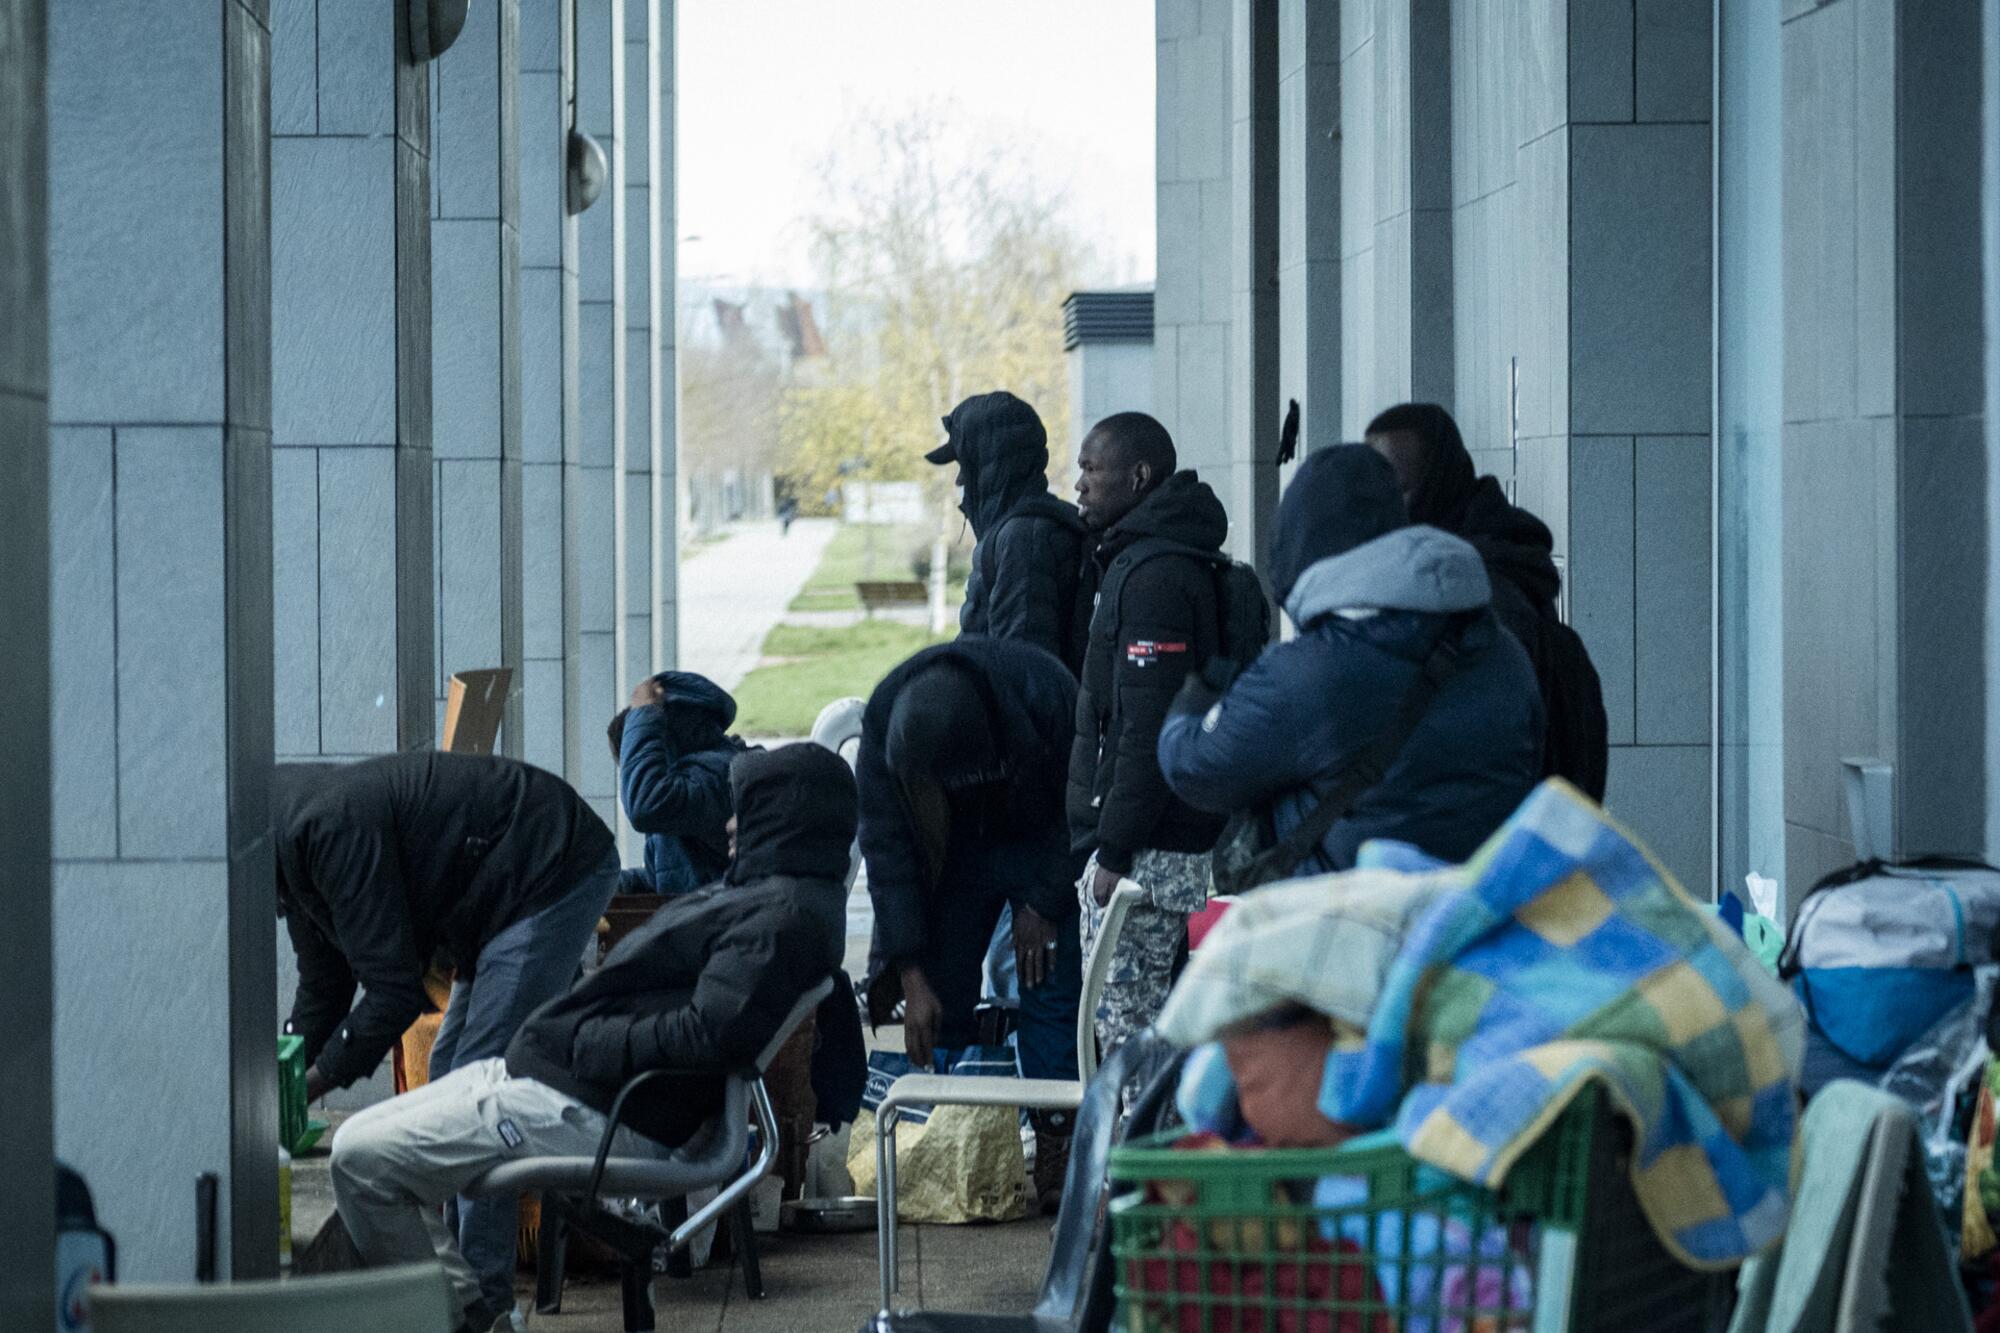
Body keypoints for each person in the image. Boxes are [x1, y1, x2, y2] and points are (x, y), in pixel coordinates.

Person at [328, 744, 855, 1333]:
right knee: (360, 1144)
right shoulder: (776, 900)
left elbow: (711, 1033)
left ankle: (463, 1318)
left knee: (361, 1161)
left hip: (597, 1104)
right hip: (568, 1082)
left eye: (746, 809)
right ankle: (472, 1313)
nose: (730, 824)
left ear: (786, 816)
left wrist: (583, 1042)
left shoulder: (776, 921)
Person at [276, 751, 618, 1321]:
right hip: (495, 886)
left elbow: (393, 991)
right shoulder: (291, 844)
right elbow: (322, 990)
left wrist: (311, 1083)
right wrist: (280, 1078)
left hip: (547, 867)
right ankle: (463, 1284)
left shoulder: (326, 831)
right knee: (446, 1075)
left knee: (479, 1095)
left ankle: (487, 1305)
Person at [1158, 445, 1544, 875]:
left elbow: (1197, 768)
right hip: (1474, 918)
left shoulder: (1310, 671)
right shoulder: (1502, 650)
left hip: (1351, 922)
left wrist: (1193, 703)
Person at [857, 639, 1085, 1212]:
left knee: (1047, 984)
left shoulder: (1045, 688)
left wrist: (1044, 902)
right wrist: (908, 969)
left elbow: (1081, 806)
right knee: (940, 992)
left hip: (1039, 835)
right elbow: (889, 855)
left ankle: (1057, 1143)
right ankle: (950, 1137)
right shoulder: (885, 723)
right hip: (955, 850)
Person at [1067, 411, 1231, 1058]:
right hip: (1158, 843)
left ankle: (1135, 1161)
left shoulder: (1156, 577)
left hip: (1145, 856)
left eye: (1090, 468)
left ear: (1138, 476)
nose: (1078, 484)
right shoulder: (1156, 560)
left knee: (1127, 1046)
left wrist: (1113, 849)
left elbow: (1147, 727)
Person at [1363, 402, 1608, 799]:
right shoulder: (1449, 577)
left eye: (1399, 491)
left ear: (1437, 484)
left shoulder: (1479, 591)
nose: (1382, 511)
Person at [929, 390, 1090, 673]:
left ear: (992, 463)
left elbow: (1022, 667)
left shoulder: (1023, 538)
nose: (959, 479)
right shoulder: (1017, 530)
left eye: (966, 464)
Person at [608, 670, 745, 895]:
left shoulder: (719, 775)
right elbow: (674, 876)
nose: (637, 777)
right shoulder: (688, 783)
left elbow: (646, 805)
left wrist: (643, 712)